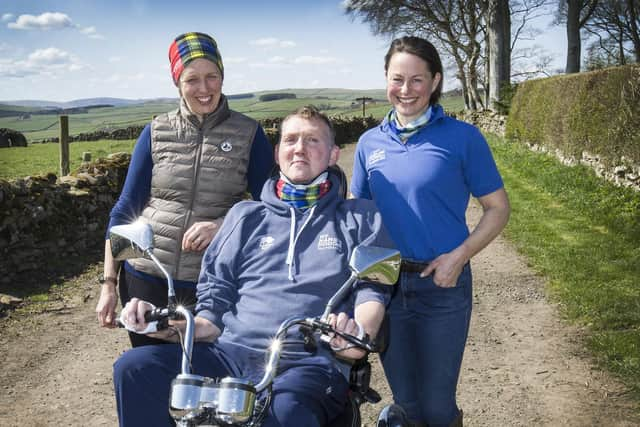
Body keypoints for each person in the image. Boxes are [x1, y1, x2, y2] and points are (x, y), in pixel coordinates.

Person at [112, 106, 395, 427]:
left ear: (333, 154)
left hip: (308, 362)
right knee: (134, 368)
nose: (300, 148)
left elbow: (372, 292)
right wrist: (156, 324)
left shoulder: (361, 216)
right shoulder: (243, 217)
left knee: (285, 412)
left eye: (313, 140)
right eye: (291, 140)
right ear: (277, 153)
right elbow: (211, 317)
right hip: (227, 355)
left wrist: (357, 337)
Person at [350, 36, 511, 427]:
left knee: (438, 409)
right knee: (407, 405)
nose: (405, 90)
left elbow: (497, 209)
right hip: (387, 289)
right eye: (397, 79)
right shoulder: (369, 144)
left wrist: (458, 257)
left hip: (444, 285)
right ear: (386, 79)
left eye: (417, 80)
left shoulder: (462, 138)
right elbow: (358, 217)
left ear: (435, 81)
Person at [95, 32, 274, 347]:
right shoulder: (156, 132)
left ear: (222, 77)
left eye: (212, 77)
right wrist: (109, 285)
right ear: (177, 82)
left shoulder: (249, 133)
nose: (204, 89)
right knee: (152, 377)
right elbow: (125, 211)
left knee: (205, 384)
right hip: (146, 279)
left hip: (212, 284)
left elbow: (271, 207)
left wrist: (222, 226)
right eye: (192, 79)